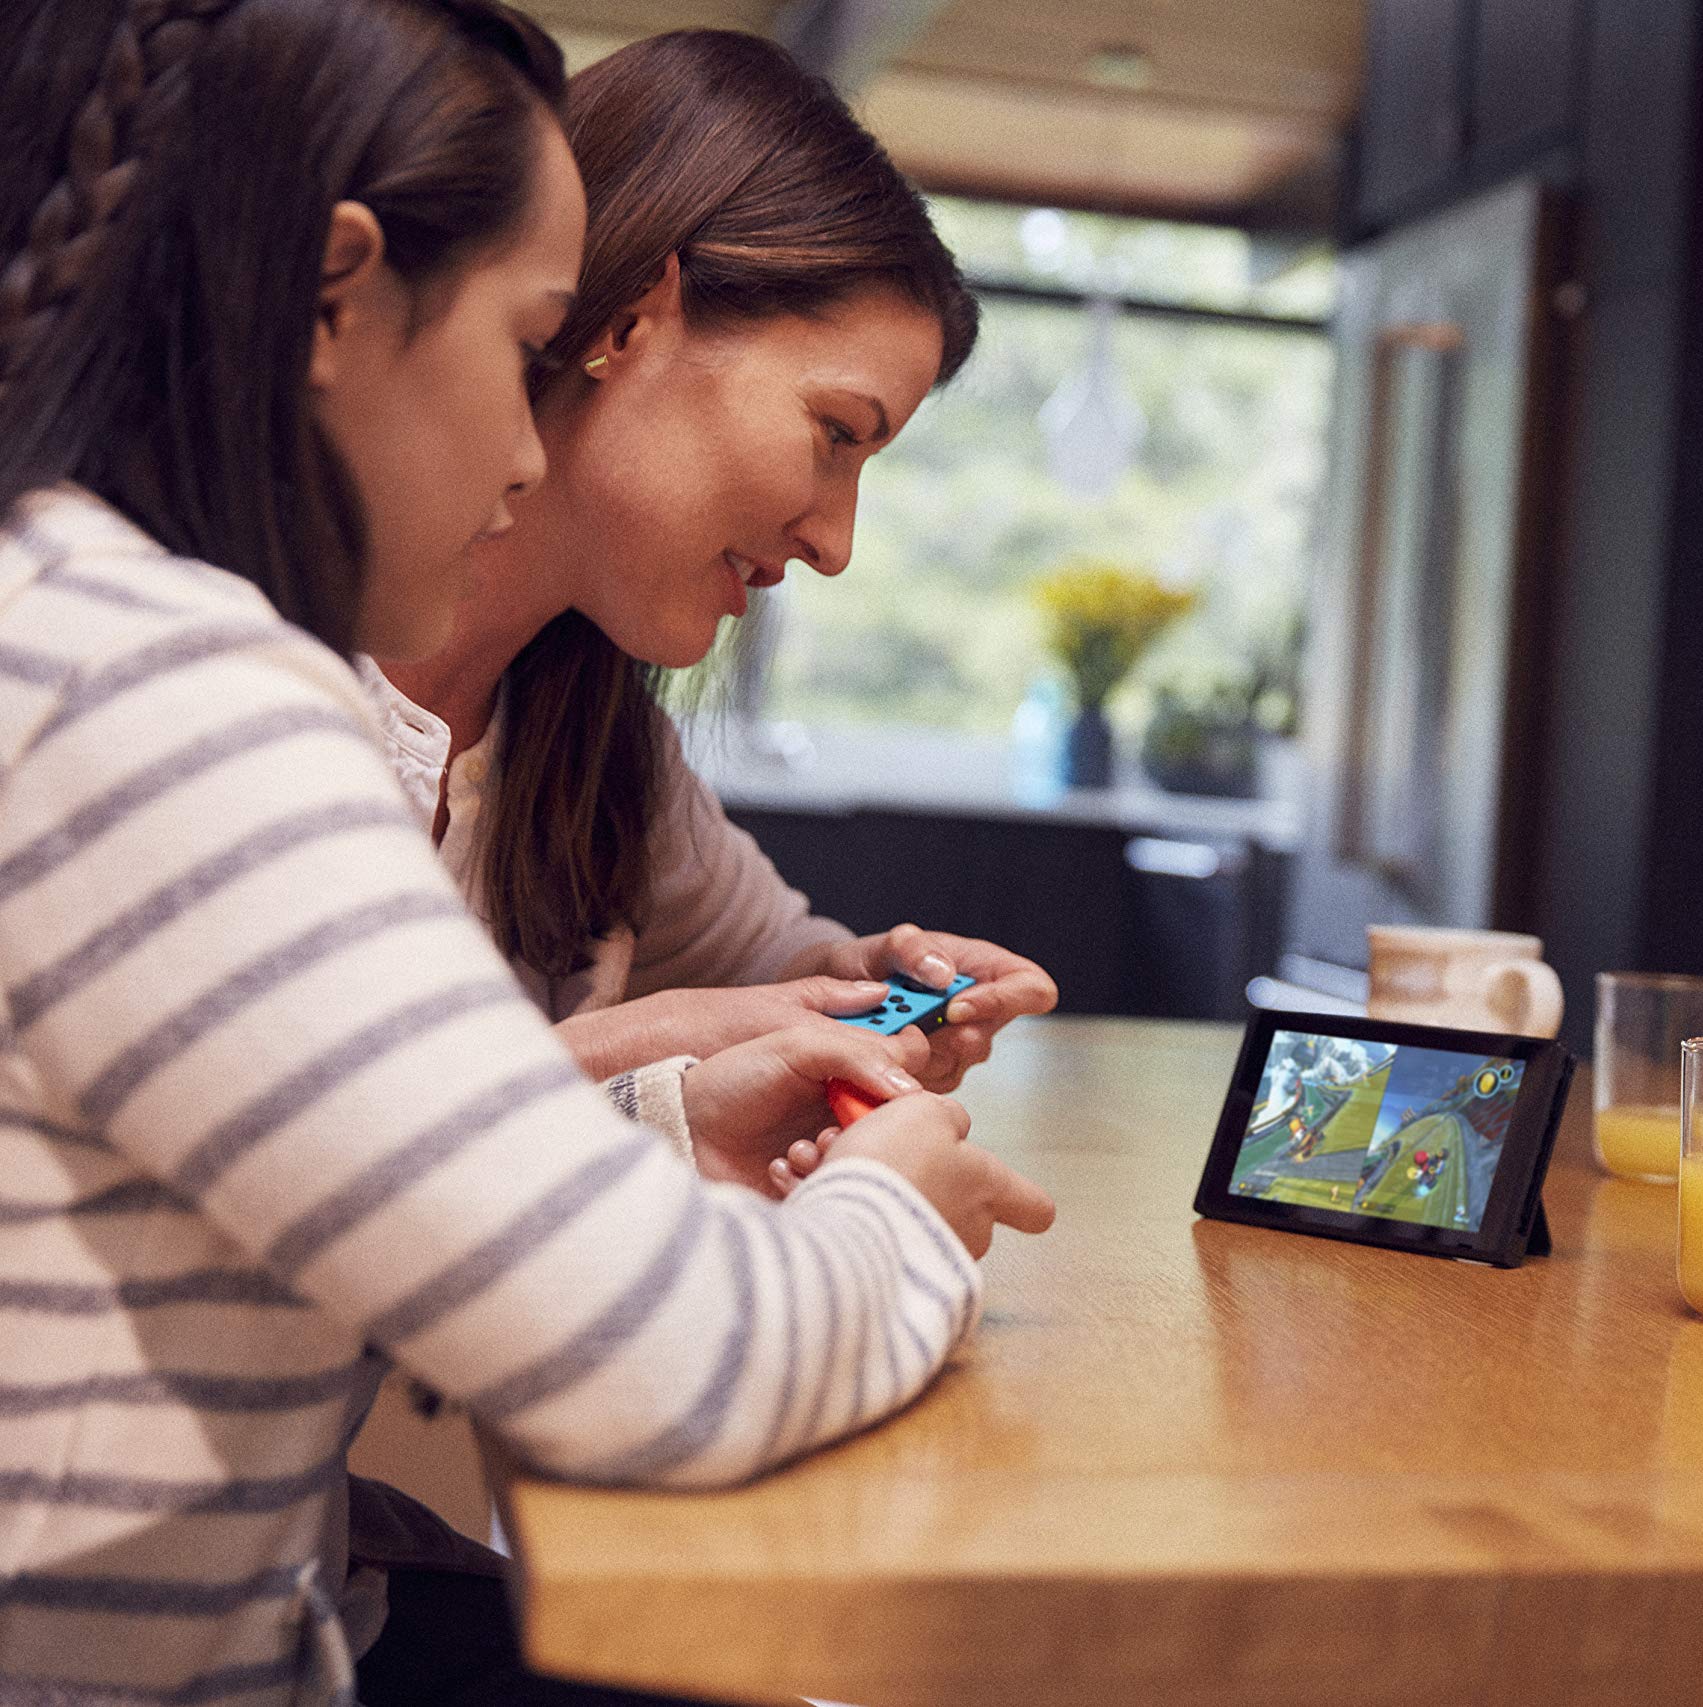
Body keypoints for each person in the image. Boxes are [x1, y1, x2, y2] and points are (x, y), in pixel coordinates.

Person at [0, 4, 1052, 1703]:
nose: (520, 447)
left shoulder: (76, 619)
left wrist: (666, 1104)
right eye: (526, 344)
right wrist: (897, 1210)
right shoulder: (169, 694)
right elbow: (671, 1360)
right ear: (341, 297)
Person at [369, 29, 1058, 1105]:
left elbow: (777, 959)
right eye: (836, 432)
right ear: (636, 314)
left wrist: (847, 987)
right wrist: (659, 1036)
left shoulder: (591, 744)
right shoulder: (240, 656)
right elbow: (290, 1120)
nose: (835, 545)